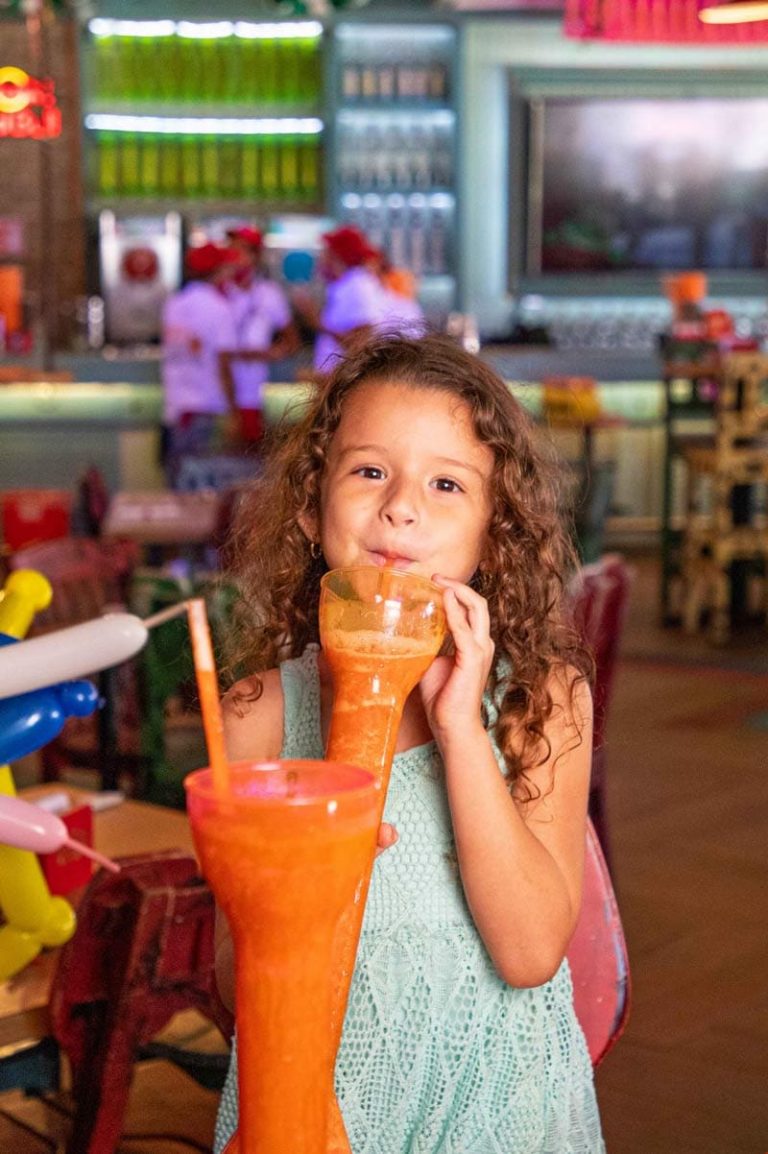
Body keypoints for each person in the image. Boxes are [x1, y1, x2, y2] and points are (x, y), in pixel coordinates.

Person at [214, 332, 604, 1153]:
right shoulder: (259, 715)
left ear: (495, 530)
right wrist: (287, 886)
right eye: (369, 471)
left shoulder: (540, 703)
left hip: (498, 1108)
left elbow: (530, 952)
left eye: (446, 484)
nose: (401, 506)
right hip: (318, 1101)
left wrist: (460, 729)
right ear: (311, 504)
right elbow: (228, 983)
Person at [160, 243, 240, 486]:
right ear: (216, 271)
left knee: (178, 480)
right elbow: (224, 364)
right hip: (206, 408)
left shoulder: (174, 304)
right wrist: (234, 411)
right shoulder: (219, 307)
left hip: (176, 409)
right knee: (202, 488)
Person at [220, 225, 299, 446]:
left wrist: (267, 354)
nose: (233, 255)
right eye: (230, 249)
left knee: (248, 454)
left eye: (240, 250)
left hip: (253, 392)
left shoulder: (269, 293)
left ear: (255, 256)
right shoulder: (217, 290)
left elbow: (292, 342)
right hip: (215, 394)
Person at [291, 224, 387, 374]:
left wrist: (317, 321)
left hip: (344, 379)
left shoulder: (359, 285)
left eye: (326, 252)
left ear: (338, 256)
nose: (321, 258)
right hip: (334, 378)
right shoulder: (343, 285)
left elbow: (362, 344)